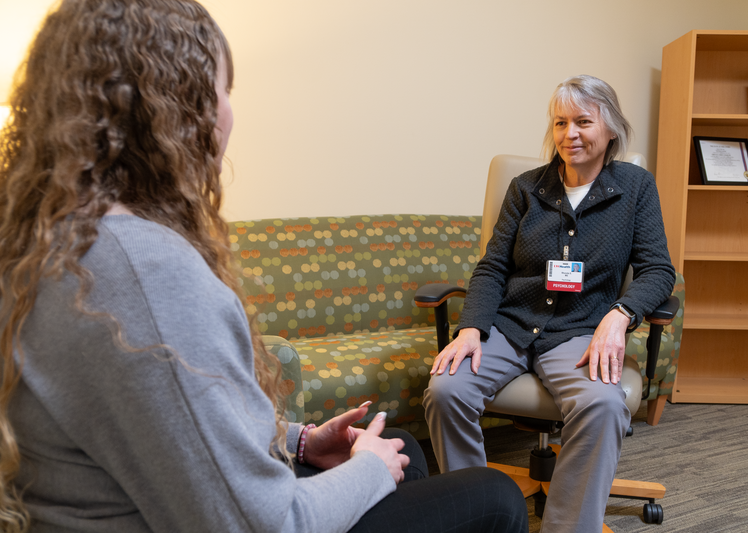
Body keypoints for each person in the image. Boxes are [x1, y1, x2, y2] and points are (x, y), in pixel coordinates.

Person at [0, 1, 528, 532]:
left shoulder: (48, 240)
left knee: (401, 447)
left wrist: (297, 441)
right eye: (224, 91)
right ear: (181, 110)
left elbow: (174, 424)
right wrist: (369, 469)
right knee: (496, 496)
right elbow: (261, 525)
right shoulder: (145, 273)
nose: (230, 113)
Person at [423, 75, 676, 533]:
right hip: (511, 325)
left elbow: (658, 270)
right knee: (446, 390)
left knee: (603, 405)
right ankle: (475, 516)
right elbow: (493, 267)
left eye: (583, 121)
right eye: (560, 123)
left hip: (580, 332)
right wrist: (471, 328)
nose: (569, 133)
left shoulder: (635, 187)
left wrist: (619, 315)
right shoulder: (526, 188)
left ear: (611, 130)